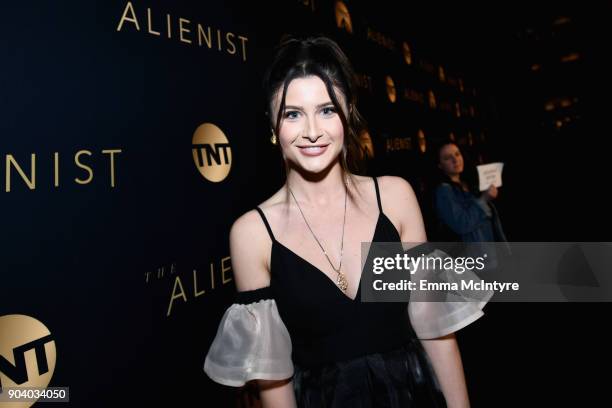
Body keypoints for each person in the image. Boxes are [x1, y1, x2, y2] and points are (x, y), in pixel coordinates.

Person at [204, 36, 489, 408]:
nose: (311, 130)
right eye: (292, 113)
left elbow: (436, 333)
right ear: (273, 128)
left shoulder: (395, 197)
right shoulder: (252, 234)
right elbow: (274, 383)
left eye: (326, 110)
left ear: (348, 113)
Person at [434, 142, 507, 244]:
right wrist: (484, 200)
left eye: (457, 154)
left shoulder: (471, 183)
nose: (455, 160)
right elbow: (461, 224)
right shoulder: (444, 191)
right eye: (447, 158)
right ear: (440, 165)